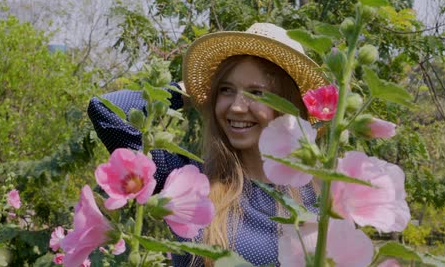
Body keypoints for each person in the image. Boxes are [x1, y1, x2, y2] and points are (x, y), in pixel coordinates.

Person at [88, 23, 325, 266]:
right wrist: (185, 91)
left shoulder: (320, 196)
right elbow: (105, 110)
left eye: (256, 93)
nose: (236, 106)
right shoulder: (189, 181)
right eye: (226, 90)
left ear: (288, 106)